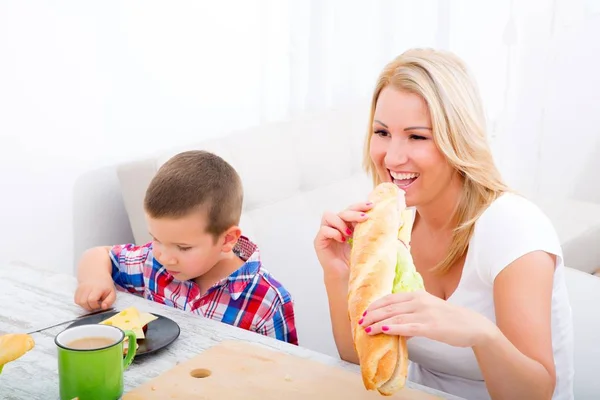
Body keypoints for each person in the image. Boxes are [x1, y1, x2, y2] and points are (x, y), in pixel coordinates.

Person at [314, 48, 574, 399]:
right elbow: (363, 364)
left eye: (417, 136)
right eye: (382, 132)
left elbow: (535, 393)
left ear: (459, 139)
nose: (391, 157)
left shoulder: (512, 228)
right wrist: (339, 273)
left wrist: (480, 333)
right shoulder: (396, 229)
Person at [75, 150, 298, 346]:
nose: (164, 256)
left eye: (183, 247)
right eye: (156, 239)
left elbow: (284, 370)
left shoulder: (266, 300)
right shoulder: (152, 263)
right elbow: (98, 255)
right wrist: (95, 280)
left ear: (228, 239)